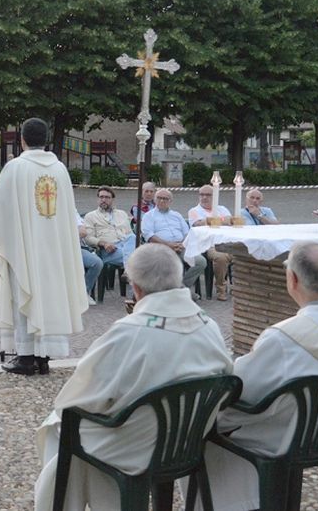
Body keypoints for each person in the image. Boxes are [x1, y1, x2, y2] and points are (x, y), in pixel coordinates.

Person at [33, 244, 233, 511]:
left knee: (60, 427)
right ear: (177, 279)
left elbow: (77, 398)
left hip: (135, 448)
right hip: (189, 442)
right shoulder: (209, 325)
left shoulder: (128, 332)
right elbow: (227, 377)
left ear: (136, 288)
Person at [199, 242, 318, 511]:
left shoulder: (282, 338)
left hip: (276, 441)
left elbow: (239, 393)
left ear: (292, 279)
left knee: (202, 437)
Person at [0, 118, 87, 376]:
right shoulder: (60, 169)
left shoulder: (15, 168)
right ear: (45, 139)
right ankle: (43, 357)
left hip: (25, 246)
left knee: (25, 291)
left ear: (22, 139)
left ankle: (25, 358)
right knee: (49, 296)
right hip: (54, 250)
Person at [141, 188, 206, 292]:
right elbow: (149, 235)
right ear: (155, 199)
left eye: (165, 199)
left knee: (201, 262)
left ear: (170, 201)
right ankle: (180, 292)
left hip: (181, 247)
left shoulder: (176, 215)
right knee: (175, 263)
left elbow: (187, 233)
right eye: (159, 198)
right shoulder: (148, 216)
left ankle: (180, 289)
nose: (162, 201)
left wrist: (182, 245)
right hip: (161, 248)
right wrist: (169, 245)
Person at [188, 185, 233, 301]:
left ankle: (241, 287)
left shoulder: (222, 209)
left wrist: (208, 221)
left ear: (215, 196)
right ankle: (221, 289)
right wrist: (222, 220)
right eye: (201, 194)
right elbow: (197, 224)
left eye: (208, 195)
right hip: (209, 244)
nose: (204, 197)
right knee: (221, 257)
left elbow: (231, 221)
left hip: (228, 241)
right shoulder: (193, 211)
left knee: (247, 253)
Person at [83, 187, 135, 269]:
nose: (103, 200)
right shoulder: (91, 216)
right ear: (98, 199)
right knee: (140, 260)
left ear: (112, 200)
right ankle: (130, 270)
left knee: (132, 237)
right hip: (109, 250)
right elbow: (88, 238)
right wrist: (104, 244)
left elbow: (129, 234)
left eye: (107, 197)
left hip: (125, 246)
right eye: (101, 197)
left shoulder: (122, 214)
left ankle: (128, 271)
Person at [76, 212, 102, 306]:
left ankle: (84, 293)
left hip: (75, 249)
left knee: (96, 263)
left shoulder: (69, 207)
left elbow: (83, 232)